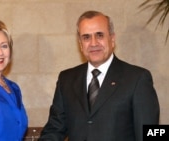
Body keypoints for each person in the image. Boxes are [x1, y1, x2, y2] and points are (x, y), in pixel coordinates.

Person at [39, 10, 160, 141]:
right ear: (80, 44)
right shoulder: (66, 79)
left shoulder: (137, 79)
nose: (93, 43)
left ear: (112, 39)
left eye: (100, 35)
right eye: (86, 37)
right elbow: (54, 129)